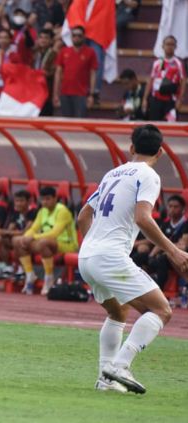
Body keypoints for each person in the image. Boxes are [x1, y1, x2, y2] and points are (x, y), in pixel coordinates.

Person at [77, 124, 188, 394]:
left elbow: (82, 217)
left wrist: (93, 247)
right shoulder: (148, 175)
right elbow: (142, 218)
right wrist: (173, 250)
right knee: (162, 310)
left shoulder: (111, 174)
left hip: (87, 255)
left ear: (131, 148)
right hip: (109, 256)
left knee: (118, 311)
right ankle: (120, 364)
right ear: (160, 152)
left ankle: (105, 379)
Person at [13, 186, 78, 295]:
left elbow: (54, 233)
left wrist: (33, 237)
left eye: (48, 199)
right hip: (48, 244)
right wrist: (26, 237)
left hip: (67, 244)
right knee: (17, 240)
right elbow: (33, 228)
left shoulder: (62, 211)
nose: (45, 202)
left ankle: (49, 278)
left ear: (55, 198)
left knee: (43, 242)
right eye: (42, 199)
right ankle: (30, 275)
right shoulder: (42, 211)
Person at [53, 26, 97, 118]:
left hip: (81, 94)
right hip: (65, 93)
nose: (76, 38)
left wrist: (91, 95)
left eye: (79, 35)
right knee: (66, 122)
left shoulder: (90, 52)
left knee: (80, 123)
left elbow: (93, 74)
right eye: (74, 35)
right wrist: (56, 94)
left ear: (84, 37)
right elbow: (58, 73)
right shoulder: (64, 51)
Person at [147, 195, 187, 290]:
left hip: (180, 256)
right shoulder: (165, 224)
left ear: (183, 209)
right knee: (141, 256)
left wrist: (165, 248)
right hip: (168, 253)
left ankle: (158, 289)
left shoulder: (186, 224)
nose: (172, 209)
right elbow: (159, 242)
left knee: (164, 257)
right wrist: (150, 256)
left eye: (175, 207)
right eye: (170, 206)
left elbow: (183, 246)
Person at [142, 36, 185, 122]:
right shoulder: (157, 63)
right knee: (154, 125)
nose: (169, 46)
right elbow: (150, 80)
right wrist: (145, 99)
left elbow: (183, 82)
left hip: (170, 101)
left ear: (175, 47)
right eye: (168, 44)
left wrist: (180, 99)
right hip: (156, 100)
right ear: (163, 46)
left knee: (171, 125)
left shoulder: (178, 64)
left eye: (172, 44)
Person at [0, 189, 36, 267]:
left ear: (29, 202)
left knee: (16, 240)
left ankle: (22, 269)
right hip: (20, 239)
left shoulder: (33, 212)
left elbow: (26, 232)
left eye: (21, 201)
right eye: (16, 201)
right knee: (0, 240)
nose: (18, 204)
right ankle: (8, 267)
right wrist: (3, 233)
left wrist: (6, 232)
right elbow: (10, 229)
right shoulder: (16, 212)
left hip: (32, 241)